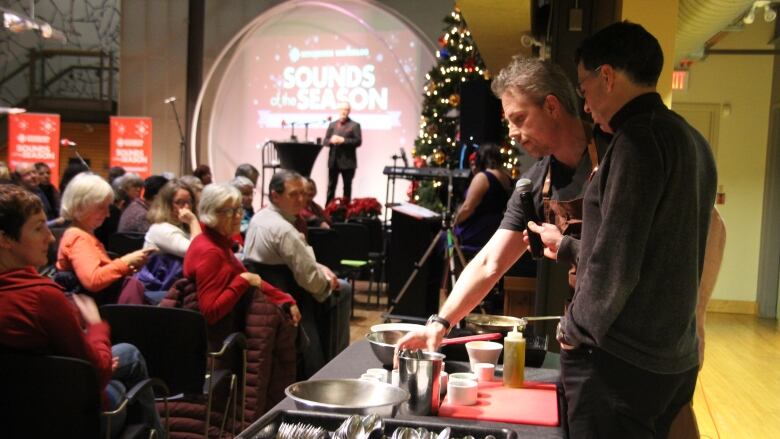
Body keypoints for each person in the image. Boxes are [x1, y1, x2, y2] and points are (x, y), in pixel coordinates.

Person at [529, 22, 716, 438]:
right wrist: (569, 247)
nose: (586, 102)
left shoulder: (636, 141)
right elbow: (662, 250)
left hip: (620, 365)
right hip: (672, 358)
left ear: (607, 76)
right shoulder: (692, 139)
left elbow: (617, 263)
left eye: (584, 86)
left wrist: (572, 331)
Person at [396, 57, 601, 360]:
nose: (513, 133)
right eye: (509, 123)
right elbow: (489, 262)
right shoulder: (534, 184)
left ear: (552, 107)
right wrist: (441, 322)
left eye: (519, 118)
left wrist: (566, 246)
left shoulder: (616, 159)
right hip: (581, 334)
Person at [0, 185, 164, 437]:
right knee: (129, 358)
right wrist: (97, 329)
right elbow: (95, 374)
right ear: (5, 239)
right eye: (38, 228)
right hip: (64, 416)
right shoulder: (40, 297)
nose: (50, 237)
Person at [243, 170, 352, 377]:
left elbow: (302, 263)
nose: (301, 199)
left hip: (266, 293)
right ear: (275, 195)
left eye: (304, 194)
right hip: (289, 296)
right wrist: (329, 283)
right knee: (343, 288)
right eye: (294, 194)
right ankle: (336, 365)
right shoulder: (285, 230)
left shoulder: (260, 218)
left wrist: (320, 267)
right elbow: (312, 282)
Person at [183, 182, 301, 327]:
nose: (238, 216)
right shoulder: (211, 252)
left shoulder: (217, 242)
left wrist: (286, 299)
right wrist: (242, 281)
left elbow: (251, 278)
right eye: (229, 211)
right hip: (218, 337)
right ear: (211, 214)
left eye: (239, 209)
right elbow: (209, 314)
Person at [57, 173, 154, 304]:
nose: (108, 214)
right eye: (101, 207)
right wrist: (125, 262)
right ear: (81, 206)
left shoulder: (82, 234)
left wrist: (128, 265)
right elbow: (93, 281)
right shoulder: (78, 237)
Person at [452, 143, 512, 253]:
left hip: (478, 229)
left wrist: (454, 222)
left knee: (444, 239)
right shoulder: (506, 177)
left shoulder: (483, 177)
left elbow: (467, 207)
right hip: (495, 228)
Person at [144, 180, 202, 258]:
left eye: (189, 202)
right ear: (166, 205)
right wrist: (193, 221)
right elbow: (197, 252)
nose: (186, 207)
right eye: (179, 202)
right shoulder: (160, 229)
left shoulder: (182, 224)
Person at [325, 102, 362, 203]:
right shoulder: (332, 125)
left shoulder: (354, 125)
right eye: (342, 109)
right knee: (331, 187)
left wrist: (343, 140)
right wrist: (331, 141)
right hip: (333, 161)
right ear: (338, 110)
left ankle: (346, 210)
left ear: (349, 111)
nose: (343, 112)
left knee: (347, 188)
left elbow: (358, 141)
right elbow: (325, 141)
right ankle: (328, 209)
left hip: (348, 162)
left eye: (346, 110)